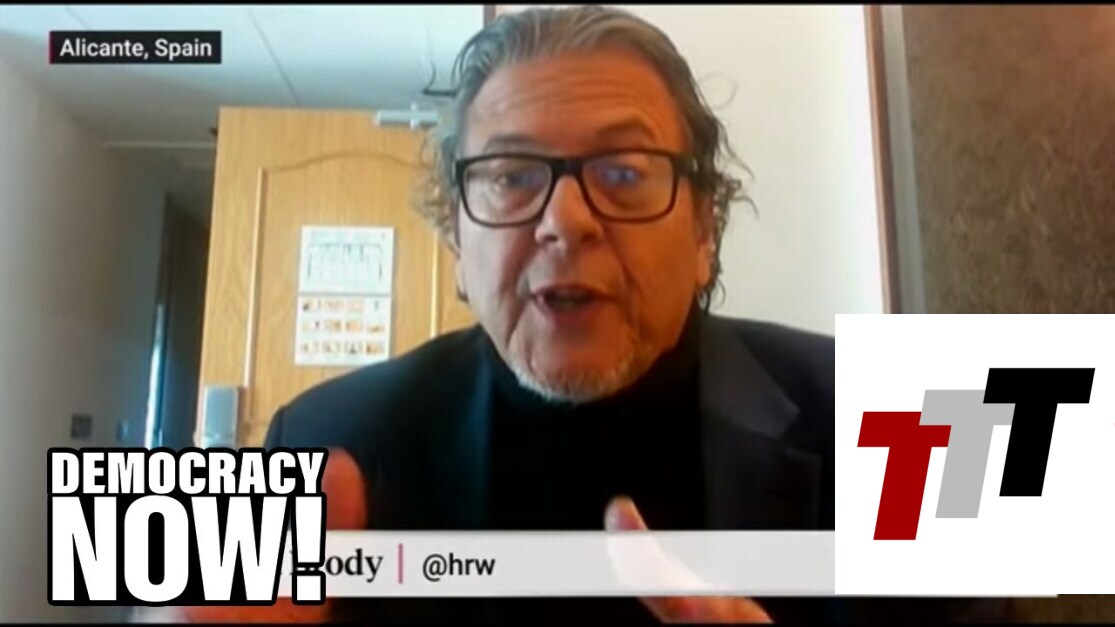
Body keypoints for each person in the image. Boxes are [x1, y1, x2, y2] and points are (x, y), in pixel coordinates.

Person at [175, 5, 1010, 624]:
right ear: (455, 240)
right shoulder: (321, 435)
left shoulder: (919, 414)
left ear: (704, 232)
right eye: (511, 176)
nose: (564, 220)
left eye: (623, 172)